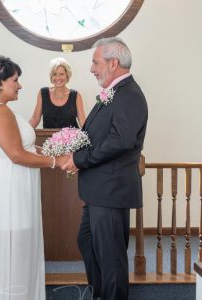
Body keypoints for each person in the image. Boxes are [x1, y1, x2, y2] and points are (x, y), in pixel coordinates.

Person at [62, 37, 148, 300]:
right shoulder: (113, 93)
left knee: (111, 259)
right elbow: (98, 134)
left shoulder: (130, 94)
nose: (91, 69)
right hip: (99, 190)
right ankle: (100, 294)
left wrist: (80, 159)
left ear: (113, 63)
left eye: (95, 62)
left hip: (111, 190)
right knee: (87, 241)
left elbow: (121, 141)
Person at [0, 56, 66, 300]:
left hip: (10, 185)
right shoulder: (0, 112)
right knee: (14, 250)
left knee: (17, 249)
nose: (20, 85)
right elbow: (16, 155)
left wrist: (51, 152)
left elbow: (21, 148)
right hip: (10, 191)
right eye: (15, 80)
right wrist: (57, 162)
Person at [29, 57, 86, 128]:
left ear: (67, 75)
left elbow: (83, 123)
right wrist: (23, 134)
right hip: (48, 138)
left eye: (61, 74)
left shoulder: (76, 95)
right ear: (51, 76)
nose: (58, 78)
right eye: (55, 74)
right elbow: (35, 119)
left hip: (72, 139)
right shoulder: (43, 93)